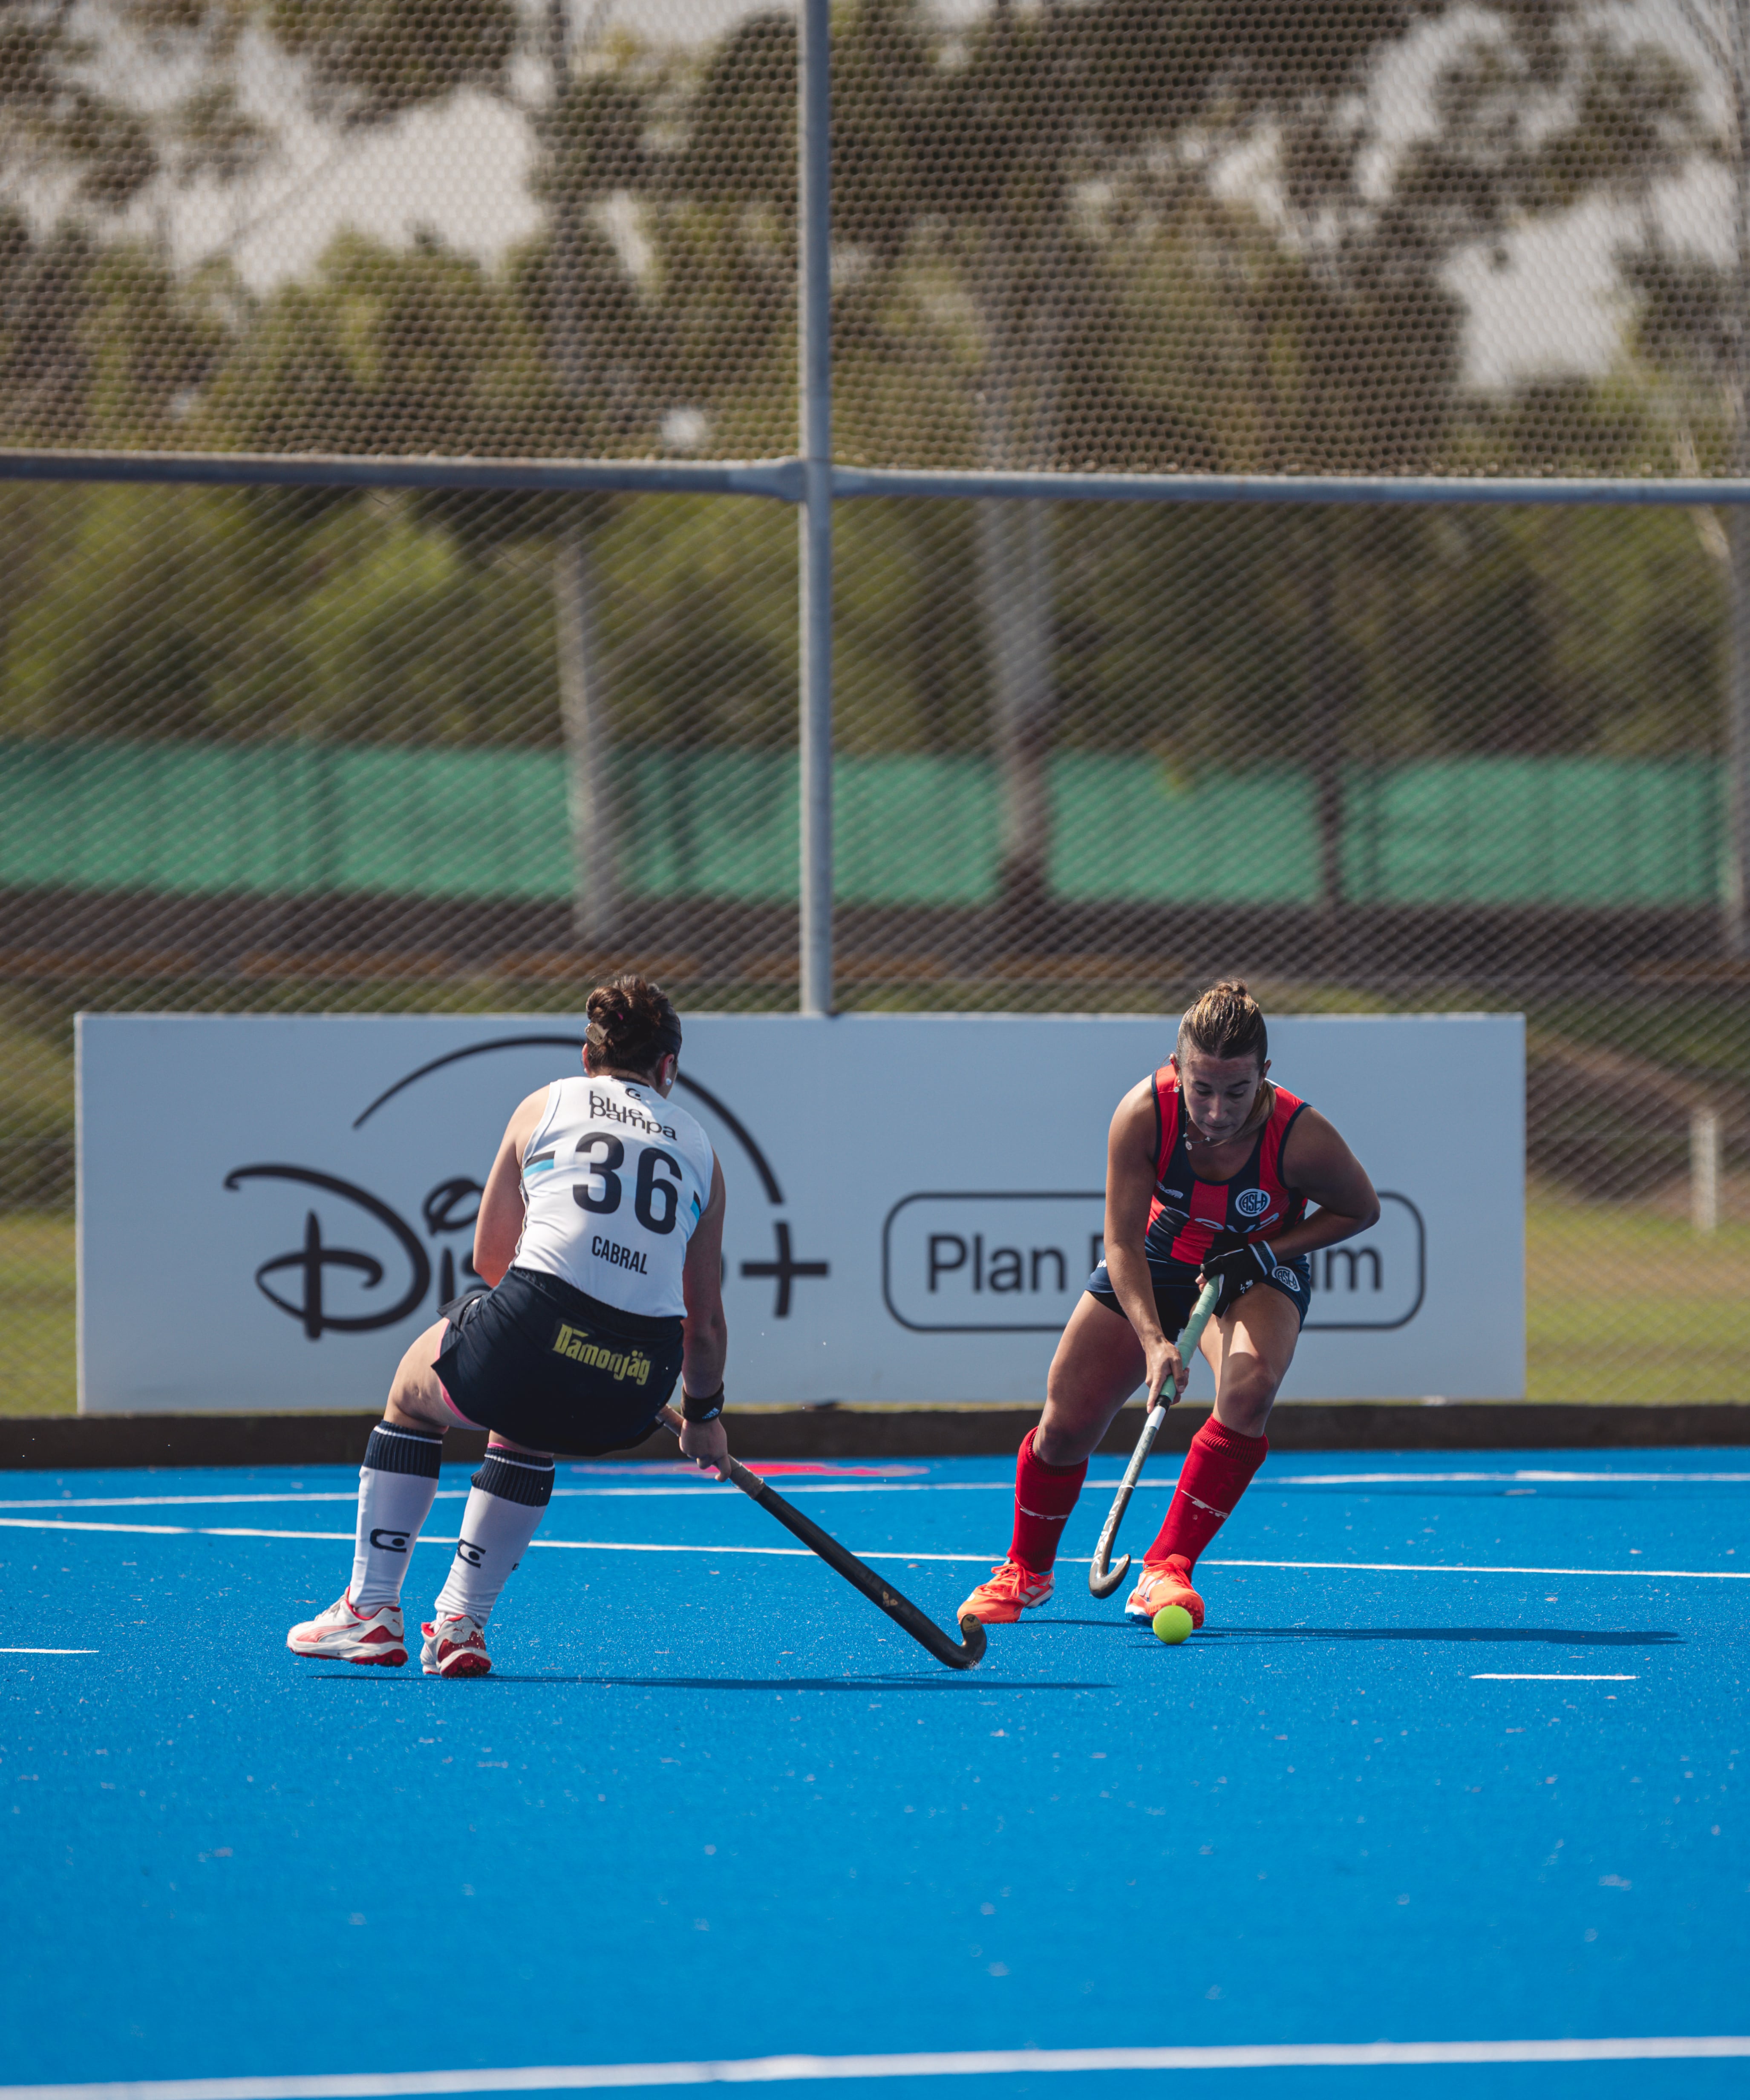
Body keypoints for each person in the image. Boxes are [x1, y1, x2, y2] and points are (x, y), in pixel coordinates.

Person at [287, 973, 729, 1679]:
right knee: (530, 1417)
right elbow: (702, 1325)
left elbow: (491, 1259)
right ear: (668, 1069)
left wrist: (559, 1332)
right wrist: (705, 1415)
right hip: (638, 1382)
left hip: (537, 1330)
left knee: (411, 1391)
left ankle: (371, 1610)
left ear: (588, 1058)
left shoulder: (546, 1103)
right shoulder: (702, 1150)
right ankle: (461, 1626)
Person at [958, 978, 1378, 1633]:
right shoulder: (1143, 1114)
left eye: (1237, 1091)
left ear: (1264, 1076)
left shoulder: (1301, 1136)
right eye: (1201, 1088)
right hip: (1159, 1258)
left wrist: (1267, 1252)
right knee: (1066, 1421)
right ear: (1176, 1068)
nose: (1216, 1110)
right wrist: (1156, 1341)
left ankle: (1166, 1567)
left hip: (1257, 1271)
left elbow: (1361, 1209)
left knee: (1251, 1388)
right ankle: (1027, 1571)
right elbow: (1122, 1243)